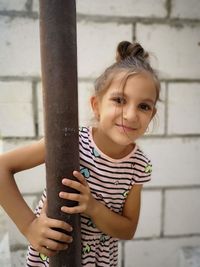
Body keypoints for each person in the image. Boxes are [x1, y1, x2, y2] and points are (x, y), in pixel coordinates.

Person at [0, 41, 160, 267]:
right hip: (54, 256)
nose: (131, 115)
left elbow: (128, 229)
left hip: (99, 261)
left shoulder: (139, 165)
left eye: (144, 106)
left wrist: (93, 207)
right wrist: (29, 226)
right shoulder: (70, 142)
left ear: (152, 116)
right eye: (119, 100)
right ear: (96, 105)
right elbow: (1, 167)